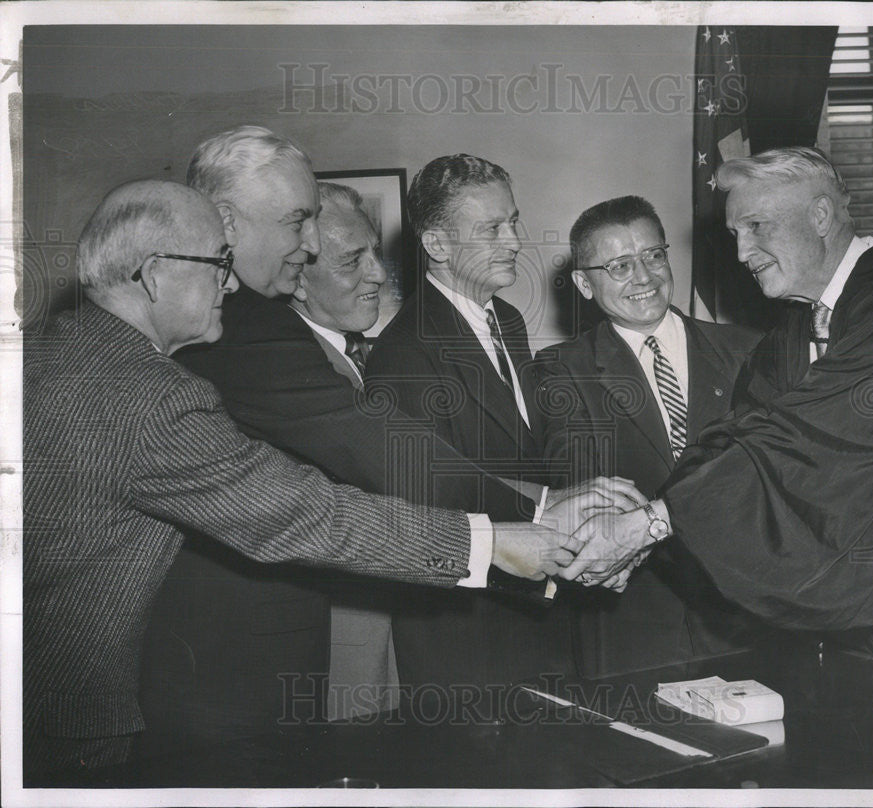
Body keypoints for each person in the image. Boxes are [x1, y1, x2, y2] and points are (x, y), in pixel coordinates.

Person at [22, 179, 575, 781]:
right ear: (156, 274)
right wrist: (492, 545)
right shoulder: (150, 395)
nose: (231, 285)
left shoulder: (53, 350)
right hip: (66, 722)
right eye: (219, 264)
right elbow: (307, 515)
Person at [141, 128, 633, 747]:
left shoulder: (244, 321)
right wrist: (538, 508)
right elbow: (370, 456)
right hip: (232, 655)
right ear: (228, 223)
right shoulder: (245, 327)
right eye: (298, 222)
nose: (311, 244)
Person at [563, 147, 873, 677]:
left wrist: (650, 525)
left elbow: (810, 442)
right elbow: (734, 437)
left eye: (756, 226)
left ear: (821, 215)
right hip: (839, 624)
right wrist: (640, 537)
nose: (741, 253)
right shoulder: (794, 329)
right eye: (736, 233)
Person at [365, 154, 575, 688]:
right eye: (491, 230)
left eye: (513, 221)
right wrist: (559, 515)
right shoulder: (403, 352)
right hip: (467, 634)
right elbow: (425, 505)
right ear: (437, 245)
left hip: (536, 608)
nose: (514, 242)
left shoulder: (504, 318)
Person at [533, 195, 763, 677]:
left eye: (653, 255)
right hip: (630, 619)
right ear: (583, 284)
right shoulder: (561, 371)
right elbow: (582, 483)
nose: (644, 277)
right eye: (619, 265)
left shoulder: (748, 351)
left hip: (744, 610)